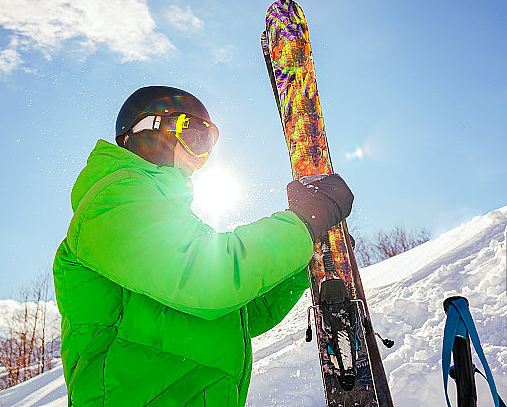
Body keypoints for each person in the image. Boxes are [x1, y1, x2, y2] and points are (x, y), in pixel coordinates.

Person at [53, 86, 353, 406]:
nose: (202, 159)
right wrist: (300, 226)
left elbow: (246, 311)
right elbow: (206, 282)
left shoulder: (176, 223)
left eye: (208, 147)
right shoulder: (110, 202)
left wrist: (303, 254)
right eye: (197, 140)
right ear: (153, 129)